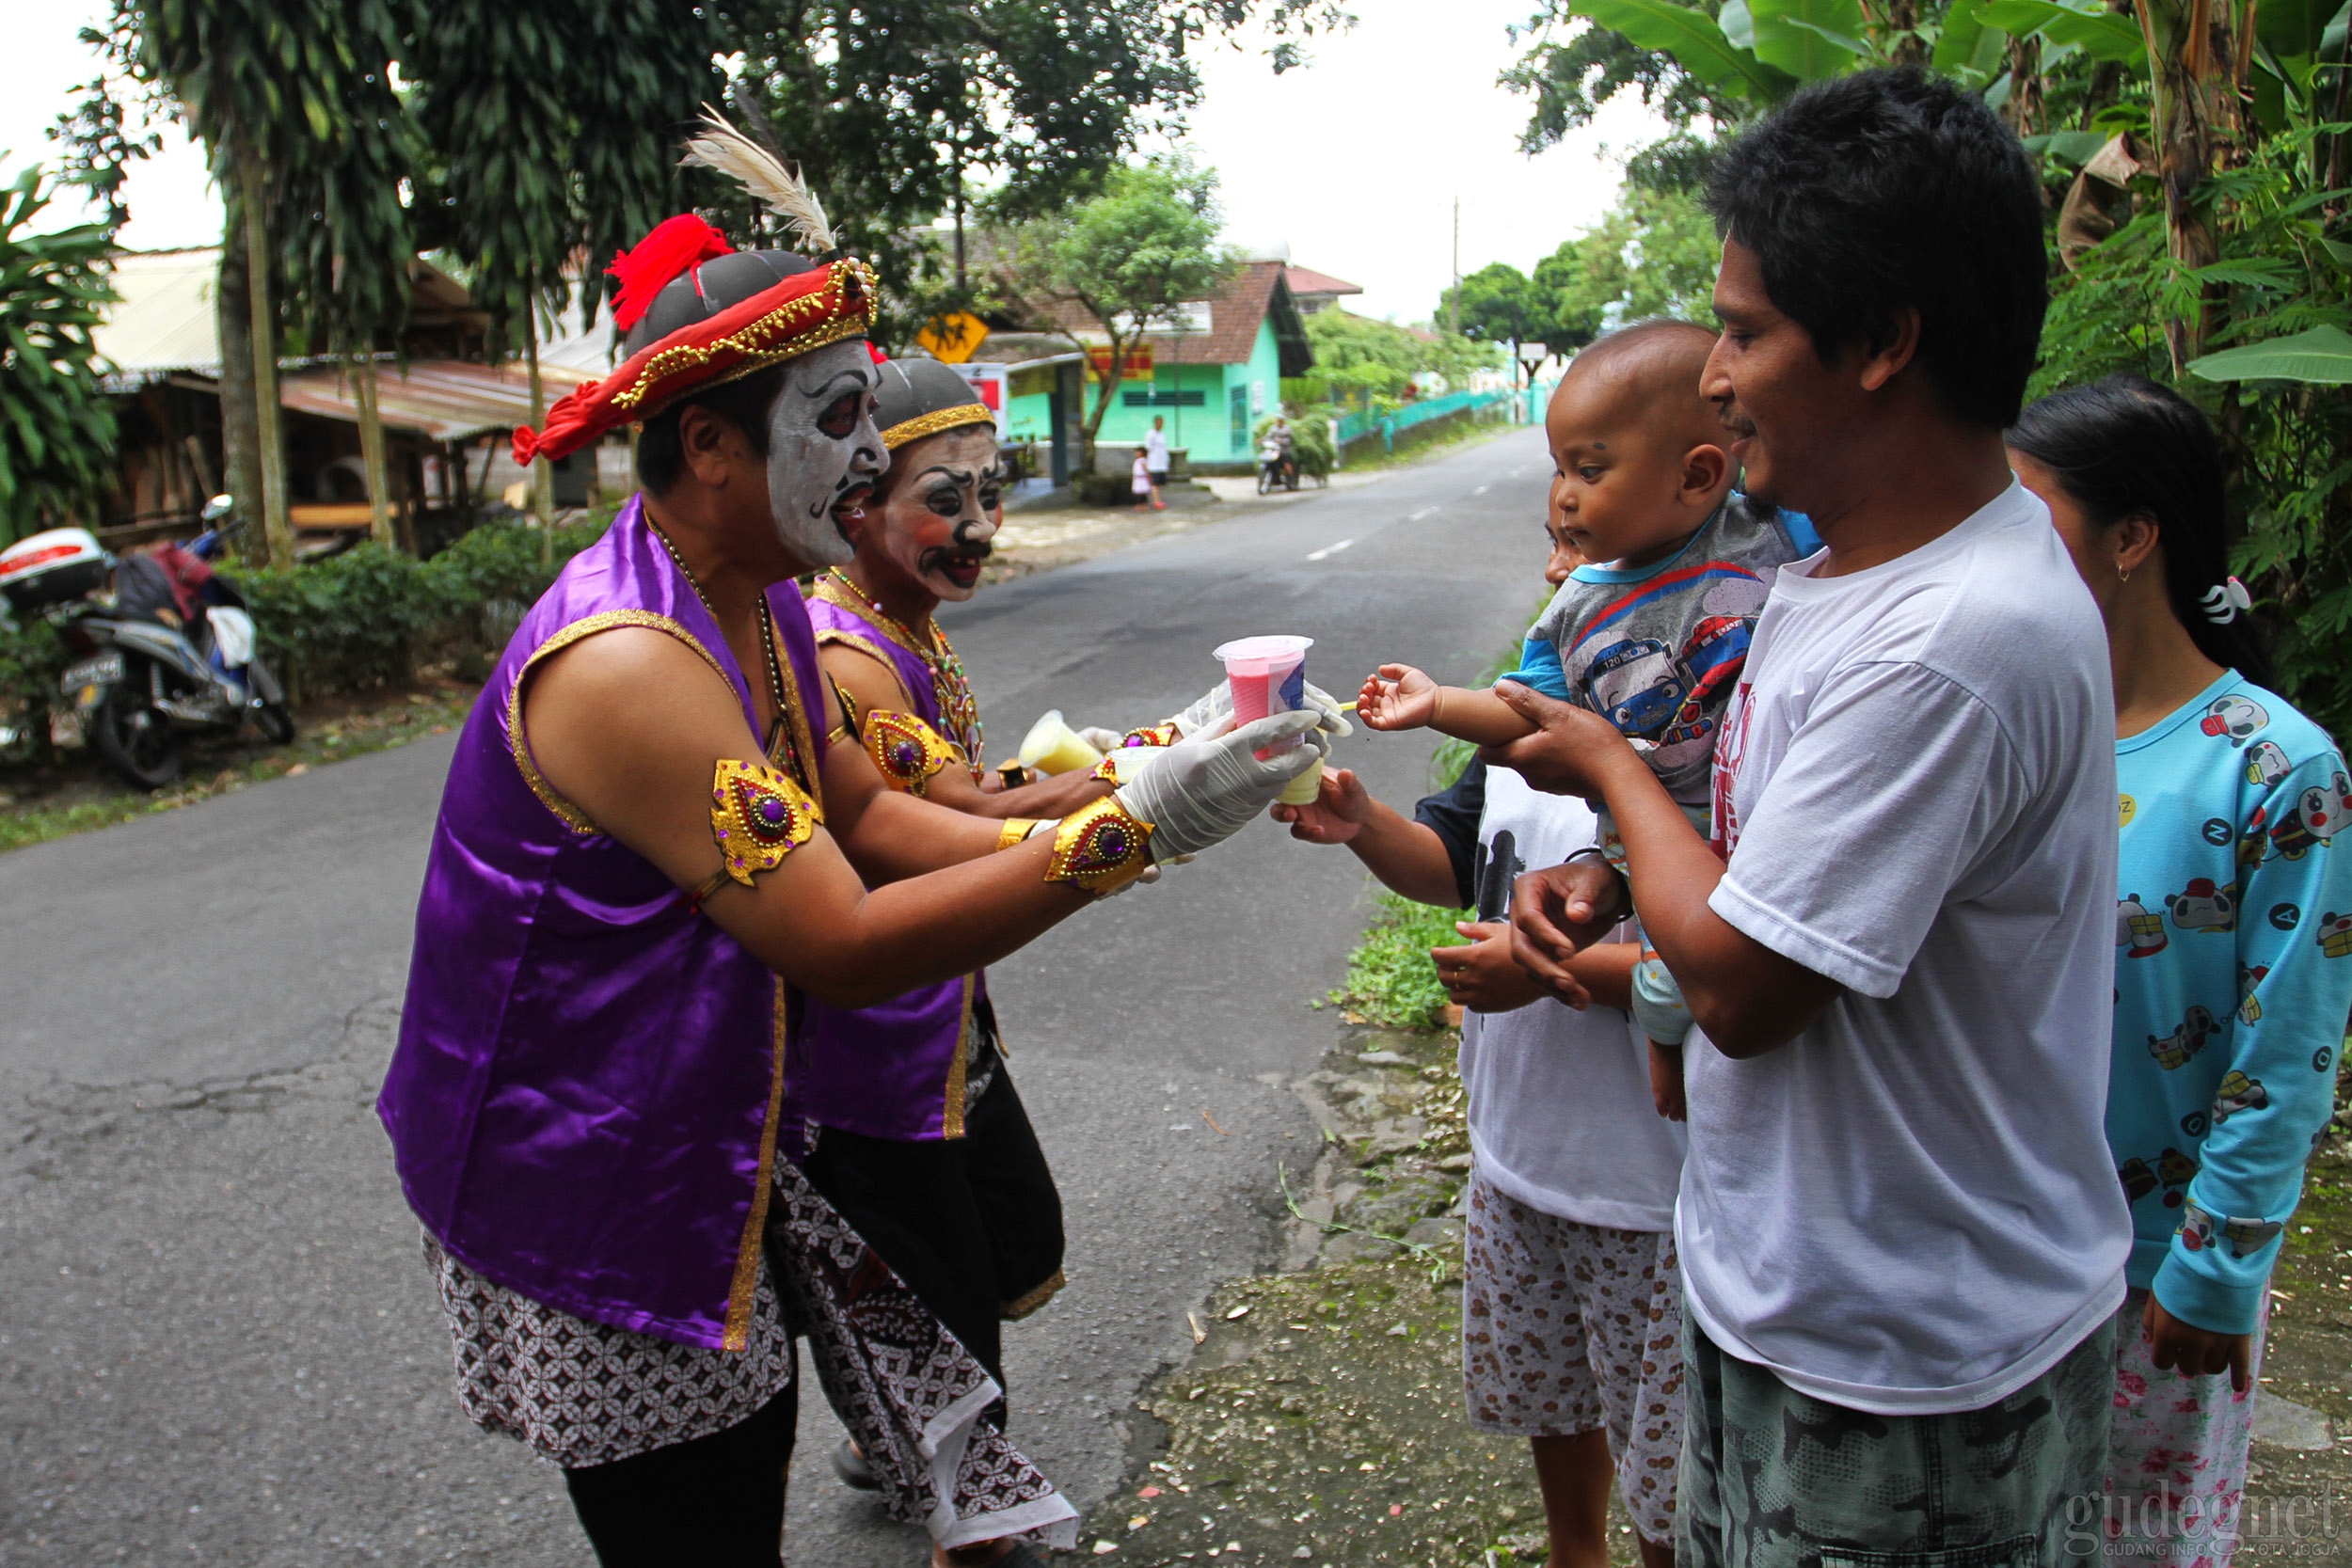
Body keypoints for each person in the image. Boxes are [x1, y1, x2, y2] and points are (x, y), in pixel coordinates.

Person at [377, 119, 1326, 1568]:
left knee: (749, 1449)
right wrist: (1135, 831)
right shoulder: (631, 661)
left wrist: (1145, 767)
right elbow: (841, 937)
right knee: (695, 1519)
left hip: (714, 1111)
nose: (875, 456)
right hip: (592, 1161)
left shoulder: (752, 594)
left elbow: (877, 814)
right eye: (833, 417)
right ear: (708, 444)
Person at [1492, 70, 2133, 1566]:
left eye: (1746, 329)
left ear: (1885, 343)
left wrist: (1611, 771)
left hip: (1909, 1361)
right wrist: (1610, 865)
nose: (1714, 374)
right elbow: (1757, 861)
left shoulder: (1946, 642)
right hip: (1782, 1284)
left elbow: (1745, 986)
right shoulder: (1839, 574)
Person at [802, 357, 1196, 1560]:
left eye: (992, 490)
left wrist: (1143, 763)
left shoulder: (901, 621)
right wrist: (1120, 816)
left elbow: (971, 789)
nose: (977, 527)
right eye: (943, 498)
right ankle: (964, 1513)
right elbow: (931, 822)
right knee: (930, 1281)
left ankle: (900, 1441)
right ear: (854, 502)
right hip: (869, 1037)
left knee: (1007, 1231)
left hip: (943, 1010)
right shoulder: (843, 649)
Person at [1275, 508, 1689, 1568]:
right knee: (1555, 1385)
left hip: (1654, 1182)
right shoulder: (1509, 735)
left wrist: (1537, 971)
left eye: (1593, 550)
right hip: (1520, 1150)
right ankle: (1571, 1545)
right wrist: (1366, 824)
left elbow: (1714, 963)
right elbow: (1452, 863)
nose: (1560, 569)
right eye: (1554, 540)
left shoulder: (1685, 756)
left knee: (1671, 1454)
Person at [2009, 375, 2352, 1566]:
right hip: (1992, 1246)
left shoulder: (2275, 766)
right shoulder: (2013, 731)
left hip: (2161, 1264)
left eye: (2025, 515)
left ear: (2131, 536)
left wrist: (2217, 1265)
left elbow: (2289, 1044)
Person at [1356, 320, 1817, 1117]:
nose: (1565, 495)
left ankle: (1676, 1072)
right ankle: (1669, 1070)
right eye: (1560, 468)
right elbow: (1521, 707)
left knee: (1704, 978)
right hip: (1655, 841)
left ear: (1699, 476)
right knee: (1674, 978)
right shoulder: (1579, 609)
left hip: (1765, 823)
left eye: (1591, 469)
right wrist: (1435, 704)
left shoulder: (1767, 531)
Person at [1144, 414, 1170, 511]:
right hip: (1154, 463)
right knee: (1154, 483)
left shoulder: (1162, 435)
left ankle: (1158, 500)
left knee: (1159, 484)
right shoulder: (1150, 434)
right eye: (1159, 422)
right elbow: (1148, 447)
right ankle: (1155, 501)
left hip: (1162, 463)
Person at [1131, 446, 1153, 512]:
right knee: (1139, 492)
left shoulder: (1142, 460)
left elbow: (1146, 469)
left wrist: (1149, 476)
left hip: (1142, 478)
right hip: (1138, 478)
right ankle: (1141, 504)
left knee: (1142, 492)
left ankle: (1142, 504)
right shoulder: (1138, 460)